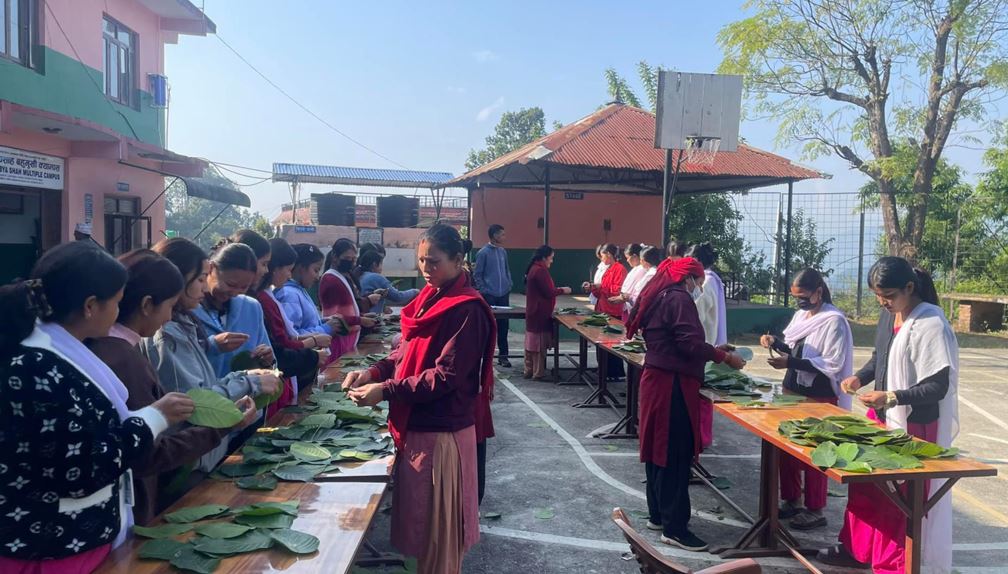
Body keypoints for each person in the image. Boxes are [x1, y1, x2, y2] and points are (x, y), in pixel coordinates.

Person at [0, 242, 193, 569]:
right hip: (51, 548)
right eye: (117, 303)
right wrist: (153, 418)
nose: (120, 312)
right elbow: (80, 469)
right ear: (91, 306)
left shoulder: (55, 352)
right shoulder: (37, 367)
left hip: (71, 540)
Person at [342, 224, 495, 574]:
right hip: (419, 427)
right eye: (422, 260)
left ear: (458, 260)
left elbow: (446, 377)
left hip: (441, 433)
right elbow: (404, 353)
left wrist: (387, 391)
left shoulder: (466, 309)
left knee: (439, 543)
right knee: (424, 535)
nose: (427, 268)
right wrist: (373, 373)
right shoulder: (429, 297)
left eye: (435, 261)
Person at [87, 250, 258, 525]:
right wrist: (223, 424)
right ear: (146, 305)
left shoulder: (109, 348)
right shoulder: (126, 357)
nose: (169, 316)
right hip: (136, 501)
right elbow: (149, 452)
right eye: (169, 305)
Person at [819, 258, 958, 573]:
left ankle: (892, 565)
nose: (883, 303)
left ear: (910, 288)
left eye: (890, 296)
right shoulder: (890, 315)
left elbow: (938, 386)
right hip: (880, 415)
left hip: (914, 425)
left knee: (899, 500)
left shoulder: (931, 323)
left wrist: (893, 397)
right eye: (878, 297)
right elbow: (879, 357)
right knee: (865, 487)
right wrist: (859, 377)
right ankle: (856, 549)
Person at [626, 256, 746, 552]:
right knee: (674, 456)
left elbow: (679, 339)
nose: (699, 289)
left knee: (657, 450)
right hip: (672, 385)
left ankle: (658, 514)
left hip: (658, 380)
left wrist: (714, 350)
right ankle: (675, 527)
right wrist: (724, 358)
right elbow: (688, 344)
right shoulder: (679, 298)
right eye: (699, 283)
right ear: (688, 278)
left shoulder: (660, 294)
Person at [143, 238, 281, 471]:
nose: (204, 288)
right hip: (189, 455)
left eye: (244, 288)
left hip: (210, 444)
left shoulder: (184, 320)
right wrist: (249, 382)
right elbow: (194, 401)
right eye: (199, 279)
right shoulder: (166, 331)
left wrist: (255, 369)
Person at [759, 268, 854, 531]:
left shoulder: (834, 321)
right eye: (795, 297)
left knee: (815, 452)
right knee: (787, 448)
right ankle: (792, 500)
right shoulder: (802, 316)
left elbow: (831, 363)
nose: (799, 302)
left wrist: (791, 361)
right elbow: (794, 346)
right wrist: (776, 342)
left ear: (818, 292)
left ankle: (815, 508)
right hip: (793, 389)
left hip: (819, 394)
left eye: (803, 296)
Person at [254, 238, 331, 415]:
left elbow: (288, 336)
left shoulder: (270, 296)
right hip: (278, 374)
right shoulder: (276, 296)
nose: (289, 275)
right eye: (264, 264)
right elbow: (282, 343)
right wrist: (313, 343)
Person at [193, 241, 276, 378]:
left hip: (246, 397)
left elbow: (271, 366)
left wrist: (268, 360)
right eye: (230, 284)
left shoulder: (251, 307)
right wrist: (212, 346)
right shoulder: (188, 310)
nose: (235, 292)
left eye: (244, 287)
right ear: (211, 269)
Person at [687, 242, 727, 452]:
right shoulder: (714, 280)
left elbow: (697, 312)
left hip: (703, 341)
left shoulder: (707, 281)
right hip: (706, 339)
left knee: (701, 395)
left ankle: (701, 437)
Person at [320, 239, 380, 359]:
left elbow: (347, 308)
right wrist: (360, 320)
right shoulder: (331, 280)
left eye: (353, 259)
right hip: (338, 342)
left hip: (348, 341)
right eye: (347, 258)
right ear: (335, 257)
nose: (351, 262)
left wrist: (362, 316)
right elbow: (334, 318)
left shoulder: (342, 277)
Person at [276, 243, 347, 338]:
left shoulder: (299, 291)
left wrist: (321, 322)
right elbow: (292, 336)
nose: (317, 277)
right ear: (301, 268)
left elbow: (304, 324)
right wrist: (325, 329)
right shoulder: (290, 295)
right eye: (316, 270)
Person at [524, 245, 573, 380]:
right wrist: (563, 290)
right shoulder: (540, 271)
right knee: (539, 346)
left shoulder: (534, 268)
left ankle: (529, 370)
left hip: (534, 311)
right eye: (551, 258)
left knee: (530, 344)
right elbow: (548, 292)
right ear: (545, 257)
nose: (552, 261)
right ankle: (538, 373)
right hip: (540, 313)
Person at [583, 243, 628, 380]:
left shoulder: (619, 269)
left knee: (612, 342)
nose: (601, 259)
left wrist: (601, 287)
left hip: (612, 310)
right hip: (602, 308)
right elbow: (601, 292)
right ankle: (603, 368)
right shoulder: (608, 270)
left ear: (609, 254)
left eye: (602, 256)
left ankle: (614, 372)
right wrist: (592, 288)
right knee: (601, 341)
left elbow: (617, 290)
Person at [474, 224, 513, 368]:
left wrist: (508, 284)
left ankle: (503, 357)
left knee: (504, 326)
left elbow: (506, 270)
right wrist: (485, 291)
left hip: (503, 294)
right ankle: (485, 356)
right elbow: (477, 275)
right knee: (489, 326)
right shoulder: (483, 253)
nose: (504, 237)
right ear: (495, 235)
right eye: (502, 234)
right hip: (489, 295)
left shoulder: (503, 252)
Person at [359, 248, 420, 314]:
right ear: (374, 264)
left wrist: (383, 307)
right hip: (372, 318)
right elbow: (397, 297)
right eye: (381, 264)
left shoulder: (359, 275)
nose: (382, 268)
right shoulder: (376, 277)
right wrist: (415, 291)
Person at [608, 243, 648, 320]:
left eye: (628, 257)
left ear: (635, 256)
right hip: (628, 305)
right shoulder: (636, 269)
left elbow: (637, 290)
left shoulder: (642, 269)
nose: (627, 260)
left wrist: (623, 297)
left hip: (634, 307)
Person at [626, 246, 662, 311]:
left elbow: (642, 293)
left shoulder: (651, 274)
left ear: (644, 261)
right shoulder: (652, 271)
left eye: (640, 259)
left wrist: (628, 297)